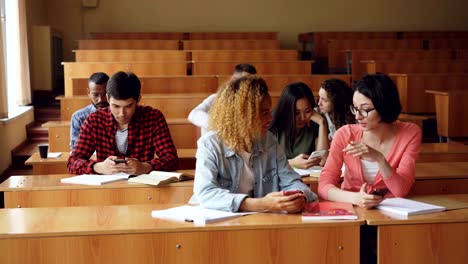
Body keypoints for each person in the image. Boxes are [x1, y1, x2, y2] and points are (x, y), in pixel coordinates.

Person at [191, 75, 317, 212]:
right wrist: (261, 204)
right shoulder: (210, 145)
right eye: (264, 113)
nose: (270, 118)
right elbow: (206, 193)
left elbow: (292, 182)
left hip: (260, 221)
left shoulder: (270, 141)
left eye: (269, 111)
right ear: (243, 115)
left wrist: (298, 197)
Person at [318, 74, 422, 209]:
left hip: (392, 213)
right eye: (355, 108)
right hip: (352, 211)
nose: (357, 116)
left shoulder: (410, 133)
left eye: (365, 110)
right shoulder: (345, 134)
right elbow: (324, 185)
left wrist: (379, 158)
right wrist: (355, 198)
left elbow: (400, 190)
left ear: (384, 107)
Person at [68, 71, 179, 175]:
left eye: (129, 106)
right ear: (108, 98)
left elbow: (172, 159)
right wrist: (98, 167)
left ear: (138, 100)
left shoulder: (153, 118)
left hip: (144, 187)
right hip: (106, 188)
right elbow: (73, 162)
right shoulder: (94, 120)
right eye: (115, 106)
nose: (122, 113)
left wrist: (145, 167)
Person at [269, 82, 329, 169]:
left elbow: (322, 161)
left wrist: (322, 123)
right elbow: (265, 163)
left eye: (307, 111)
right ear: (286, 110)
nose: (303, 117)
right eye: (296, 113)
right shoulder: (273, 123)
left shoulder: (315, 123)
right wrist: (291, 163)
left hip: (306, 179)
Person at [188, 63, 257, 135]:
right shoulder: (215, 98)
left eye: (251, 82)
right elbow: (193, 114)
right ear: (233, 79)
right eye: (243, 81)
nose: (247, 85)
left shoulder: (254, 102)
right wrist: (220, 125)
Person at [70, 72, 109, 150]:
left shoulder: (120, 114)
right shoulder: (78, 117)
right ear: (88, 93)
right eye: (95, 95)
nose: (100, 99)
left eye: (105, 94)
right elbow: (76, 150)